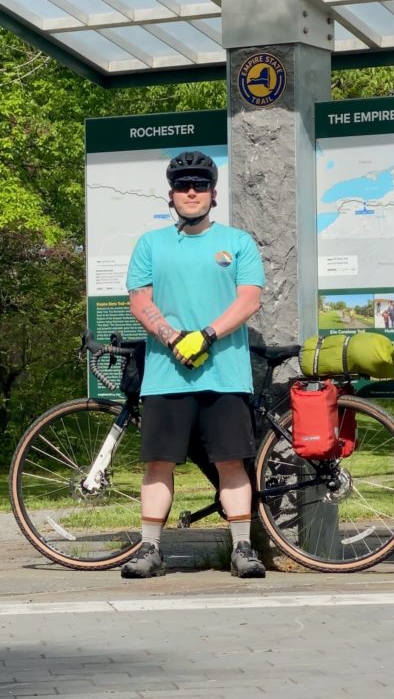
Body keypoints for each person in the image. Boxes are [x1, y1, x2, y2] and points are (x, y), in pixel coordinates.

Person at [121, 150, 267, 579]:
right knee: (158, 464)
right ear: (171, 195)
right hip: (166, 376)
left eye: (199, 185)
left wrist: (206, 336)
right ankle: (150, 549)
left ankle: (242, 548)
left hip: (225, 372)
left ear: (213, 194)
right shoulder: (151, 244)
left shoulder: (238, 242)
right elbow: (139, 300)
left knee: (231, 463)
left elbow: (249, 299)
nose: (191, 191)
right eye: (183, 185)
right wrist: (170, 337)